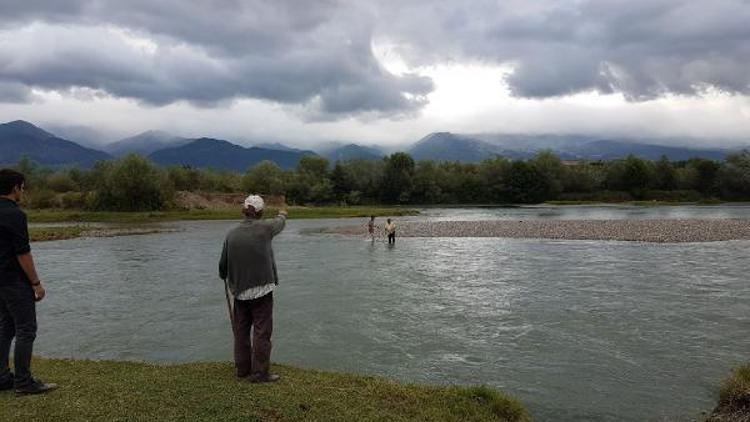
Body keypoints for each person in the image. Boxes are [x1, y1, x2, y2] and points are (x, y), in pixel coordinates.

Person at [0, 169, 57, 395]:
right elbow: (22, 253)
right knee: (26, 329)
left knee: (6, 328)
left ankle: (2, 377)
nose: (23, 192)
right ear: (15, 188)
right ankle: (24, 382)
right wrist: (36, 283)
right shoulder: (15, 214)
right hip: (15, 281)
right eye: (22, 188)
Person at [219, 194, 287, 383]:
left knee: (241, 331)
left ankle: (242, 369)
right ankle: (259, 373)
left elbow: (222, 266)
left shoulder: (231, 234)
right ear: (260, 212)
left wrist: (224, 275)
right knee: (262, 331)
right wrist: (282, 212)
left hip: (239, 291)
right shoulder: (265, 228)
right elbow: (280, 223)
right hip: (262, 290)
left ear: (244, 211)